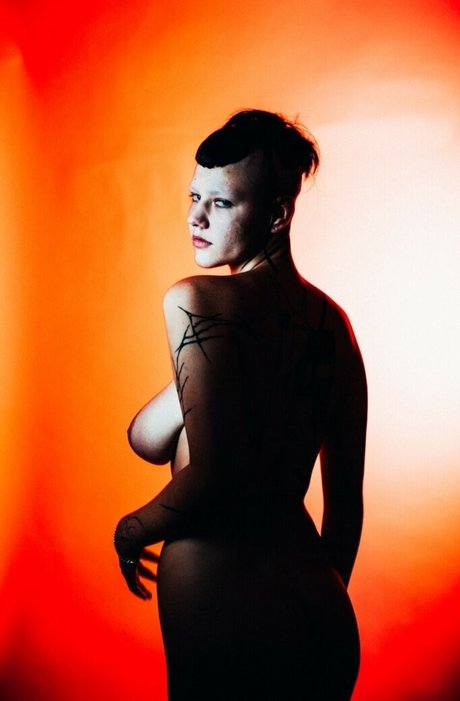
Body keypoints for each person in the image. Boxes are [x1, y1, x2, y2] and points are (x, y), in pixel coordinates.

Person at [114, 109, 367, 701]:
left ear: (277, 215)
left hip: (229, 620)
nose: (195, 217)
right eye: (193, 197)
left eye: (221, 203)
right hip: (322, 615)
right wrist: (315, 603)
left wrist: (132, 530)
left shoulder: (197, 301)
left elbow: (213, 478)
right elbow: (346, 509)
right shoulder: (334, 329)